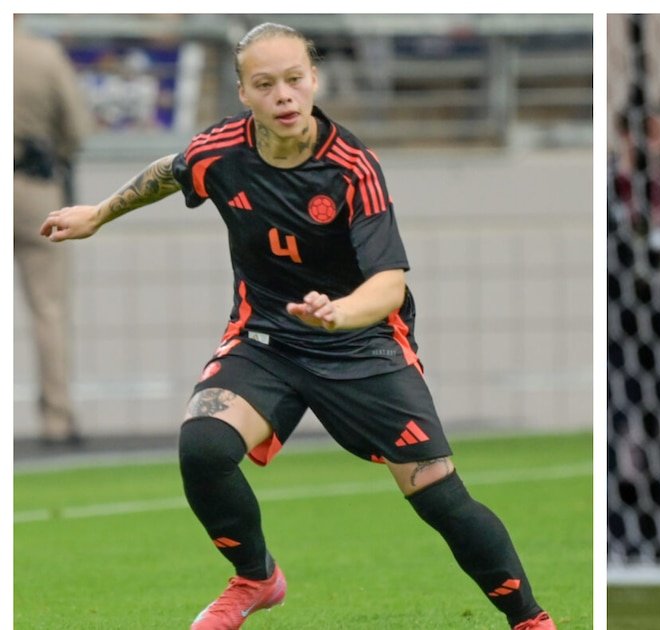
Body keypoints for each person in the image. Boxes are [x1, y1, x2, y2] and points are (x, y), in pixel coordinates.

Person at [41, 22, 555, 630]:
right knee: (203, 446)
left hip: (363, 346)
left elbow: (390, 284)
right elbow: (170, 171)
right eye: (265, 84)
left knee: (439, 496)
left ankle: (528, 618)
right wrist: (98, 213)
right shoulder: (220, 152)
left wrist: (342, 313)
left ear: (314, 81)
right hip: (267, 340)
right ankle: (257, 579)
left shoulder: (352, 167)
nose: (283, 94)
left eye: (293, 79)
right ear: (243, 93)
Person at [14, 17, 92, 446]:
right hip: (31, 182)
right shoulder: (43, 56)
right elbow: (77, 128)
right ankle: (57, 420)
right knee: (48, 310)